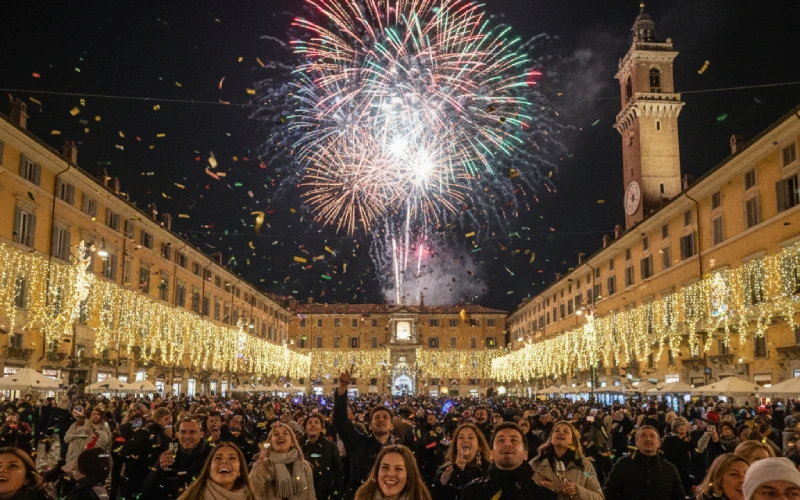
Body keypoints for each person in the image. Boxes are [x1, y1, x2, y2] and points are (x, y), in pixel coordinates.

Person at [333, 370, 394, 500]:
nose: (381, 420)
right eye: (376, 417)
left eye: (385, 417)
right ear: (370, 425)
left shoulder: (399, 449)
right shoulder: (358, 443)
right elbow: (340, 421)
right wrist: (342, 391)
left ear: (391, 425)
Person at [461, 422, 558, 500]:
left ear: (525, 454)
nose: (507, 444)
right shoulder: (472, 492)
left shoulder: (544, 496)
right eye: (501, 440)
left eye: (514, 441)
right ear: (491, 454)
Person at [603, 426, 686, 500]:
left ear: (658, 443)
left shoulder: (669, 469)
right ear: (636, 442)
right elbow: (609, 493)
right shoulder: (622, 464)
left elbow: (679, 496)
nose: (648, 439)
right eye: (643, 436)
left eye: (652, 436)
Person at [141, 417, 212, 499]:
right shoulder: (168, 452)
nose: (187, 436)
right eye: (183, 432)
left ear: (201, 434)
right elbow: (146, 491)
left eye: (192, 432)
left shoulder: (211, 454)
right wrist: (158, 468)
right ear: (177, 434)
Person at [530, 421, 603, 500]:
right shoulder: (537, 464)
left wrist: (577, 490)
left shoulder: (584, 467)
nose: (561, 433)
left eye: (566, 431)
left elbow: (599, 497)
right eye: (557, 430)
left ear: (572, 440)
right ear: (551, 438)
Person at [249, 423, 315, 500]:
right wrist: (260, 464)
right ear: (271, 443)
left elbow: (311, 496)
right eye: (276, 434)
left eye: (285, 433)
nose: (280, 436)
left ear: (292, 442)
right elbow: (252, 494)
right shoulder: (264, 466)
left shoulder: (305, 466)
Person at [431, 423, 491, 500]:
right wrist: (442, 484)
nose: (466, 440)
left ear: (479, 446)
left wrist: (466, 473)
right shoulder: (445, 471)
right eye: (461, 437)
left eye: (471, 437)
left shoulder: (489, 471)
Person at [177, 442, 256, 500]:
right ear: (209, 469)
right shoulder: (190, 497)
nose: (224, 461)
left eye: (232, 458)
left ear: (240, 471)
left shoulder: (250, 497)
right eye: (218, 458)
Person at [353, 445, 431, 500]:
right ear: (377, 472)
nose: (390, 474)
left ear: (409, 475)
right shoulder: (362, 497)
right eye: (385, 467)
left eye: (398, 469)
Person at [301, 413, 344, 500]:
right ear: (305, 428)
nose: (313, 425)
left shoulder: (330, 446)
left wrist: (336, 494)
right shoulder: (301, 447)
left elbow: (338, 472)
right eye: (309, 423)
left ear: (322, 428)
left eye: (316, 422)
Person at [64, 407, 112, 472]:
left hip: (98, 454)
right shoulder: (85, 426)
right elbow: (68, 439)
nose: (96, 416)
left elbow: (108, 439)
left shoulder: (105, 425)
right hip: (83, 455)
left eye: (98, 414)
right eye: (94, 414)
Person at [661, 418, 694, 494]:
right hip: (680, 469)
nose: (684, 430)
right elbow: (689, 446)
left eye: (684, 428)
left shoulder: (669, 438)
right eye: (681, 428)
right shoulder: (673, 440)